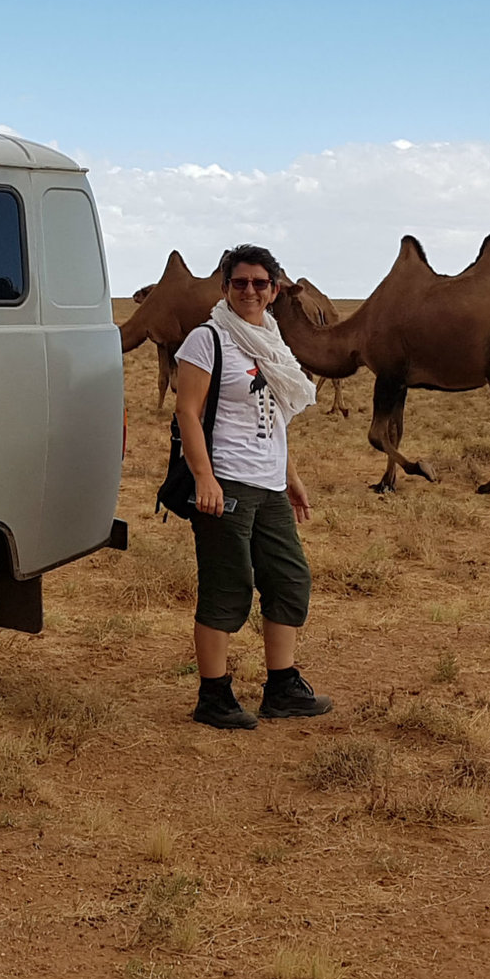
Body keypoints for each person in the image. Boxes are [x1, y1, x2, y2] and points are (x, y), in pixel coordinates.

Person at [172, 244, 334, 728]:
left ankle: (281, 687)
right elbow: (187, 412)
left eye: (259, 283)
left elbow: (274, 417)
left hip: (268, 483)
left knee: (289, 580)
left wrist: (291, 477)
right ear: (225, 288)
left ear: (274, 289)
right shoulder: (209, 339)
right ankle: (213, 696)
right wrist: (205, 477)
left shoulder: (271, 338)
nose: (249, 291)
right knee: (228, 587)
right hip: (227, 480)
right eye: (239, 283)